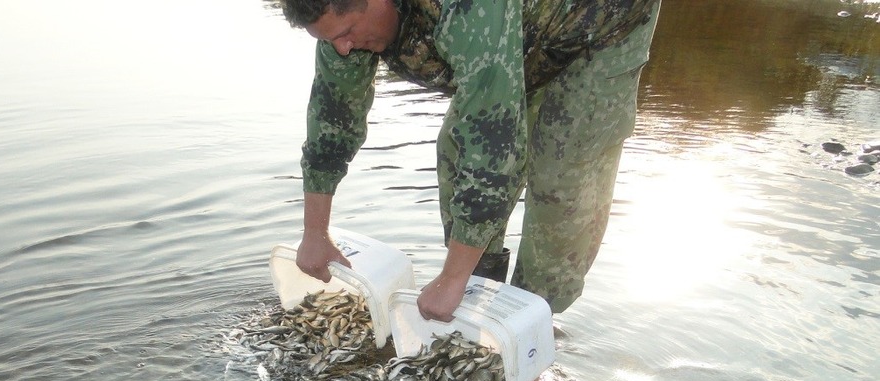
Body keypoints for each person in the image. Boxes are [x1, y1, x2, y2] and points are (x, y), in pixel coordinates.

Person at [278, 0, 661, 322]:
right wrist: (315, 233)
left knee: (562, 175)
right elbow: (332, 120)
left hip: (601, 23)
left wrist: (450, 278)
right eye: (330, 40)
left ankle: (535, 317)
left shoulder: (462, 9)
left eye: (346, 32)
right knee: (457, 152)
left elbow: (493, 142)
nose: (343, 47)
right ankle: (479, 289)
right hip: (517, 33)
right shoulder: (340, 26)